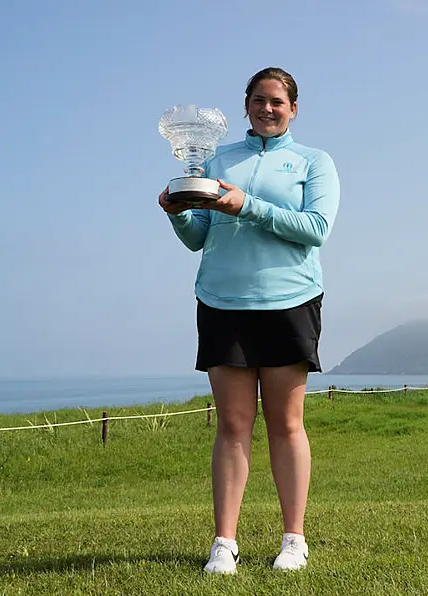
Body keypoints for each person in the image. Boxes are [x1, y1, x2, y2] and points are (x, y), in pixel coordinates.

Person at [158, 67, 340, 574]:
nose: (267, 108)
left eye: (277, 102)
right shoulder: (218, 159)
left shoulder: (314, 162)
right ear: (246, 105)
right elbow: (200, 238)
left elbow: (316, 229)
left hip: (289, 302)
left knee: (286, 424)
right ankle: (224, 543)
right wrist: (176, 212)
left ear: (294, 109)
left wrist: (248, 205)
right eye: (259, 100)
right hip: (222, 302)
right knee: (233, 426)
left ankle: (294, 539)